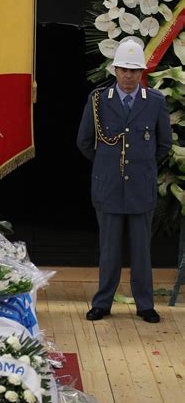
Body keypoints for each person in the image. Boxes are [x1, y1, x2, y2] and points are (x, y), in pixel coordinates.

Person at [77, 39, 172, 323]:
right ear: (115, 70)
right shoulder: (99, 100)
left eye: (134, 71)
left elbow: (163, 144)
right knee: (109, 250)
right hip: (108, 186)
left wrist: (141, 167)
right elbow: (84, 141)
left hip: (140, 187)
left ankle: (145, 305)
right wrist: (106, 166)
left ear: (142, 73)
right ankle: (103, 303)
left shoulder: (155, 102)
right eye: (123, 70)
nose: (129, 76)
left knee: (142, 251)